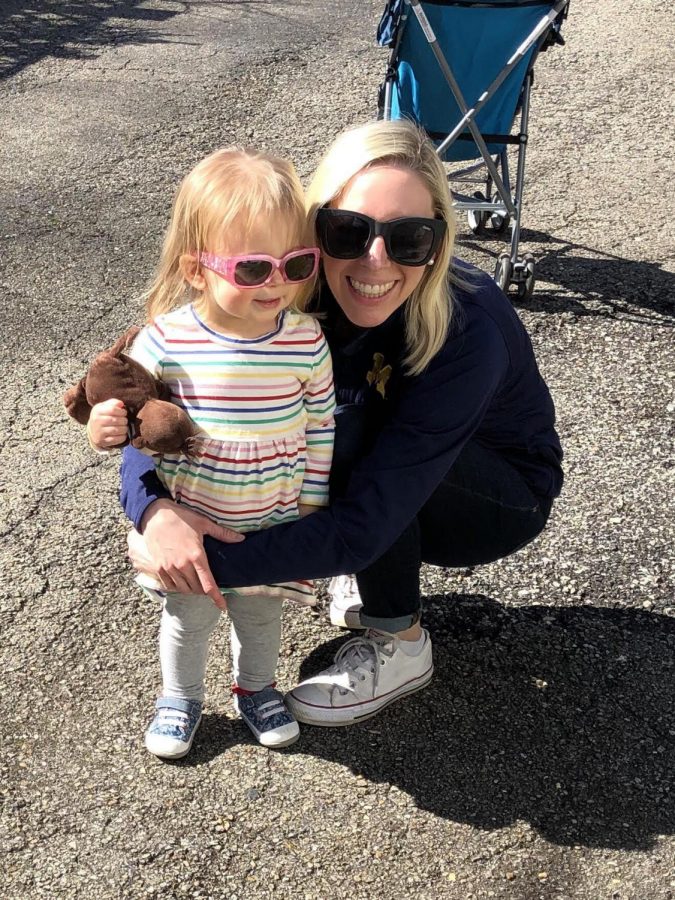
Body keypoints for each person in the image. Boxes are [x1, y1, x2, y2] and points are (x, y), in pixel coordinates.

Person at [118, 119, 563, 730]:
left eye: (409, 239)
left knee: (357, 432)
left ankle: (400, 641)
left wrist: (191, 564)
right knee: (344, 424)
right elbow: (162, 402)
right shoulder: (290, 281)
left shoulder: (469, 329)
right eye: (349, 231)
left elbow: (364, 518)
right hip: (389, 471)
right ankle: (371, 570)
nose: (375, 260)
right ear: (315, 226)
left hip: (495, 496)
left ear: (439, 242)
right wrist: (154, 510)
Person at [87, 147, 335, 756]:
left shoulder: (305, 339)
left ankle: (255, 688)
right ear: (198, 270)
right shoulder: (167, 338)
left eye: (296, 264)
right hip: (198, 517)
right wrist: (103, 426)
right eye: (253, 269)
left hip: (274, 517)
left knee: (260, 614)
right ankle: (181, 695)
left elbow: (321, 425)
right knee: (188, 617)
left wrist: (312, 498)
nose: (277, 283)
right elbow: (126, 407)